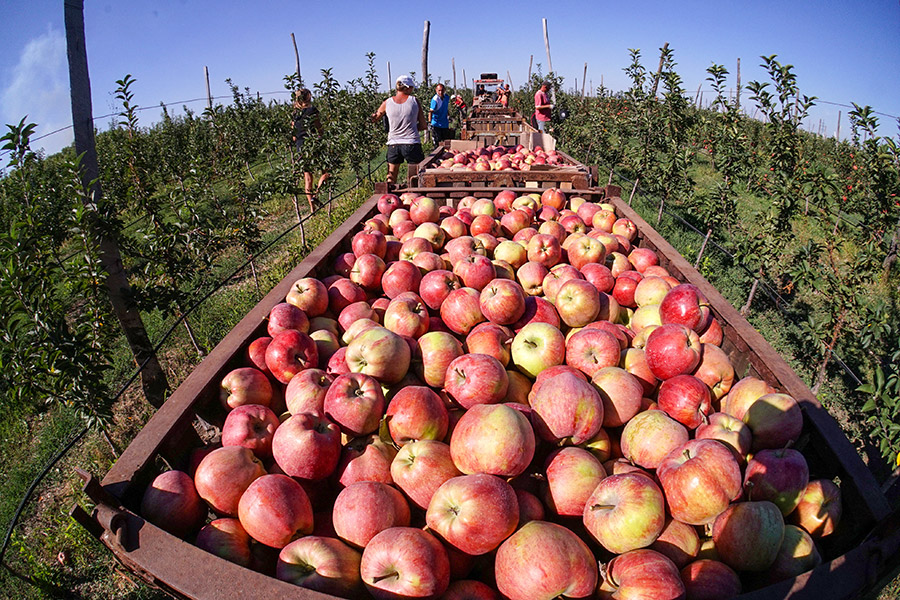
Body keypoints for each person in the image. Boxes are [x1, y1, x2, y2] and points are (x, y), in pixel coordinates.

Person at [371, 75, 427, 185]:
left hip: (393, 144)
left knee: (391, 178)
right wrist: (413, 128)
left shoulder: (387, 103)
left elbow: (375, 118)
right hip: (412, 143)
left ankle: (390, 198)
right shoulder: (414, 101)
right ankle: (414, 197)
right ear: (406, 88)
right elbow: (424, 125)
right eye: (411, 87)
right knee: (416, 179)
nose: (412, 90)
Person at [291, 88, 329, 210]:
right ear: (308, 97)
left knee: (308, 178)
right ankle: (316, 195)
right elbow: (319, 128)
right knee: (326, 172)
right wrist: (323, 137)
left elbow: (293, 136)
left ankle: (312, 208)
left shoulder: (294, 115)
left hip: (300, 147)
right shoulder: (312, 111)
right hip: (313, 144)